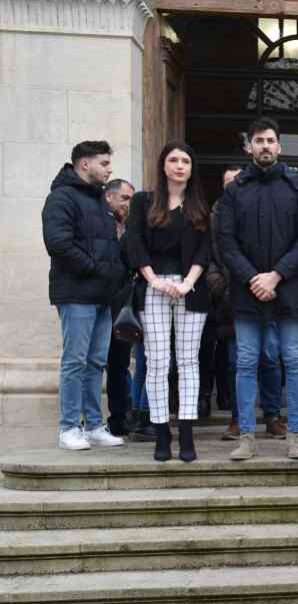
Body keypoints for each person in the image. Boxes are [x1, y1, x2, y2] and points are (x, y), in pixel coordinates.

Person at [217, 117, 298, 461]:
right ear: (250, 147)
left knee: (292, 359)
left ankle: (295, 436)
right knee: (245, 361)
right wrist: (253, 278)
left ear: (280, 146)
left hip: (287, 289)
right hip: (247, 292)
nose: (264, 146)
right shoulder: (235, 191)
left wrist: (275, 276)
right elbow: (226, 242)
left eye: (270, 140)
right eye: (258, 140)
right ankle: (246, 437)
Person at [123, 142, 212, 462]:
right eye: (173, 160)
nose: (179, 166)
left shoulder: (199, 205)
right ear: (163, 165)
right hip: (153, 287)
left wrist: (188, 282)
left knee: (189, 363)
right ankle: (162, 435)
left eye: (185, 161)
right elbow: (134, 243)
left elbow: (205, 249)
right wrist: (153, 279)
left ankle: (186, 435)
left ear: (191, 168)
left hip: (191, 290)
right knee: (158, 362)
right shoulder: (143, 202)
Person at [43, 140, 128, 451]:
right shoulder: (61, 199)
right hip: (76, 294)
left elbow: (111, 247)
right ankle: (68, 427)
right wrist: (97, 269)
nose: (109, 169)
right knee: (75, 361)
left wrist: (115, 273)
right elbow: (59, 244)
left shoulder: (99, 202)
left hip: (102, 297)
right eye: (104, 163)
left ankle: (93, 424)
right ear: (84, 164)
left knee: (95, 362)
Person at [103, 178, 136, 436]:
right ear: (109, 197)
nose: (128, 204)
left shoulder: (131, 228)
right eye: (124, 198)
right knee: (92, 363)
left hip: (123, 307)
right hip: (99, 302)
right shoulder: (101, 225)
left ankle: (120, 418)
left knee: (119, 364)